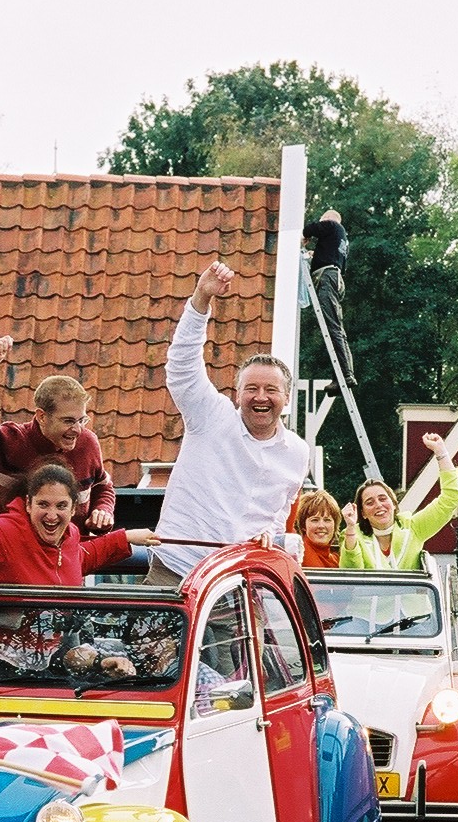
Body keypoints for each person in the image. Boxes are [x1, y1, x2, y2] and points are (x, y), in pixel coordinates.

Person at [148, 261, 309, 587]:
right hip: (177, 572)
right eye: (251, 388)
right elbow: (182, 365)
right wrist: (201, 299)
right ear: (237, 394)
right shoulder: (210, 417)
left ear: (287, 397)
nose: (260, 397)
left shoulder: (298, 452)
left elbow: (279, 510)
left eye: (270, 389)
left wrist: (272, 534)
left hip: (241, 583)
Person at [0, 335, 116, 527]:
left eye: (82, 420)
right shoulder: (3, 443)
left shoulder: (88, 443)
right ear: (42, 417)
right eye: (68, 421)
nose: (77, 430)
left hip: (74, 552)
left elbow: (103, 485)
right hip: (12, 552)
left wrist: (102, 510)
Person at [0, 431, 156, 585]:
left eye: (61, 506)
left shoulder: (71, 535)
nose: (51, 515)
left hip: (51, 647)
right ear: (28, 504)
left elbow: (81, 557)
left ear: (73, 508)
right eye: (43, 504)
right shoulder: (5, 531)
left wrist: (125, 537)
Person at [339, 432, 458, 571]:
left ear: (393, 503)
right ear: (362, 513)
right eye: (369, 502)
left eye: (382, 498)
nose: (378, 505)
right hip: (369, 594)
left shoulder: (413, 527)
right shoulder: (352, 534)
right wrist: (350, 527)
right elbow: (351, 572)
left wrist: (441, 452)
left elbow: (451, 498)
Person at [303, 209, 354, 386]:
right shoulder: (342, 240)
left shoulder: (332, 225)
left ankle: (345, 375)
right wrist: (314, 256)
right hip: (336, 278)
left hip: (327, 278)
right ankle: (341, 376)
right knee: (337, 328)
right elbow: (330, 255)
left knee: (332, 327)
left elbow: (309, 229)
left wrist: (304, 238)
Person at [290, 489, 344, 569]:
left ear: (334, 525)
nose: (321, 526)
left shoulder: (338, 560)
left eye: (327, 520)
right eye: (314, 520)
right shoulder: (297, 552)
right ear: (303, 525)